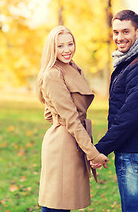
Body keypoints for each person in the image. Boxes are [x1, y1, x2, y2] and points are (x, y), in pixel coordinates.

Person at [92, 10, 138, 212]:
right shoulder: (137, 60)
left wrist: (99, 149)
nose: (119, 37)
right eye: (116, 32)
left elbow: (128, 117)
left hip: (136, 154)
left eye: (125, 31)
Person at [37, 25, 109, 212]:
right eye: (60, 46)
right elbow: (70, 118)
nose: (67, 49)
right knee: (56, 203)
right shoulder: (53, 74)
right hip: (63, 144)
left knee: (62, 202)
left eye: (70, 44)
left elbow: (49, 113)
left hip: (71, 140)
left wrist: (57, 116)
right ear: (52, 48)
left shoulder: (73, 68)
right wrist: (93, 153)